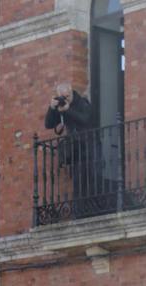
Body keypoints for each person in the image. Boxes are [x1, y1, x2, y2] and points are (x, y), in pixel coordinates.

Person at [44, 82, 97, 216]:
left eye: (67, 96)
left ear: (71, 93)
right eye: (62, 97)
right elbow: (48, 124)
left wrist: (68, 110)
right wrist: (52, 108)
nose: (65, 100)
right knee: (78, 180)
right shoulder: (61, 106)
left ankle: (84, 210)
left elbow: (86, 119)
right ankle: (79, 212)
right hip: (76, 149)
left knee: (88, 180)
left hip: (89, 148)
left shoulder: (82, 103)